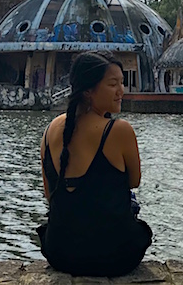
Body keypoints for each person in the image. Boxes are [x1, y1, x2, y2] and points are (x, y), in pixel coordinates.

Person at [37, 51, 152, 277]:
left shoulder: (50, 130)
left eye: (122, 82)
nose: (122, 91)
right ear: (88, 91)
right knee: (129, 198)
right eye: (113, 84)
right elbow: (134, 181)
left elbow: (50, 194)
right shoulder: (119, 130)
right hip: (113, 257)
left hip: (59, 253)